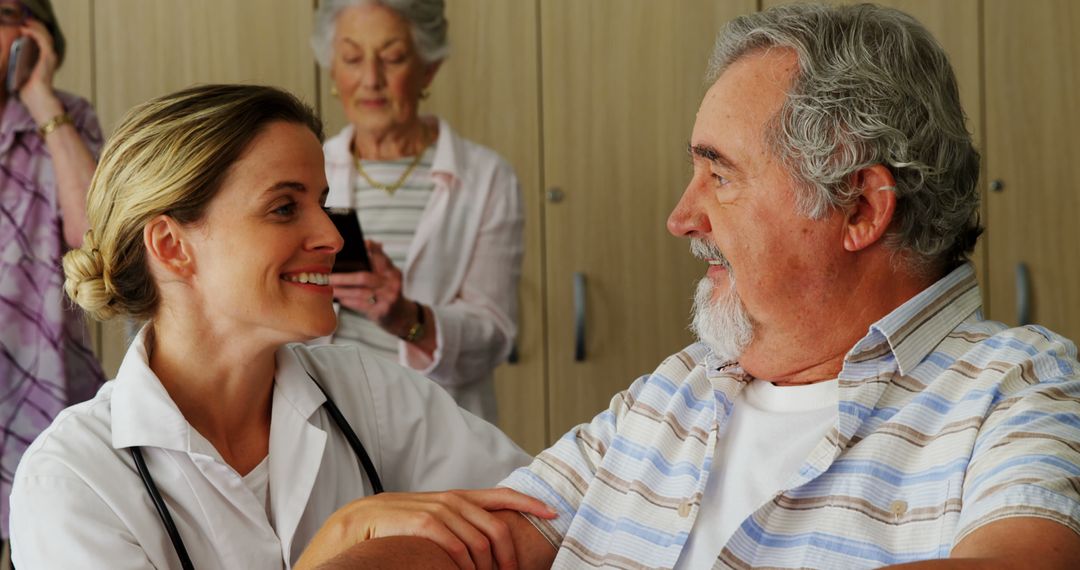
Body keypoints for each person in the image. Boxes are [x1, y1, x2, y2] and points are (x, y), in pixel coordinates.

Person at [312, 3, 1080, 568]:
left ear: (859, 206)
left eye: (719, 173)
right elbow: (472, 548)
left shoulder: (1020, 388)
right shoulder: (674, 391)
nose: (681, 217)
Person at [8, 83, 553, 569]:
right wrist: (344, 538)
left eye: (322, 203)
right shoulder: (73, 480)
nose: (333, 238)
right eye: (285, 209)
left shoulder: (369, 392)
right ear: (172, 247)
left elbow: (550, 514)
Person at [311, 0, 524, 422]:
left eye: (392, 58)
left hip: (437, 423)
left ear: (428, 68)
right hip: (330, 414)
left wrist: (408, 318)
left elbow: (495, 335)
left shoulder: (485, 177)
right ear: (333, 70)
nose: (371, 80)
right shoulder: (307, 171)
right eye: (353, 58)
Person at [0, 0, 104, 553]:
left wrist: (41, 98)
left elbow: (96, 236)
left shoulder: (70, 118)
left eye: (9, 12)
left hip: (47, 395)